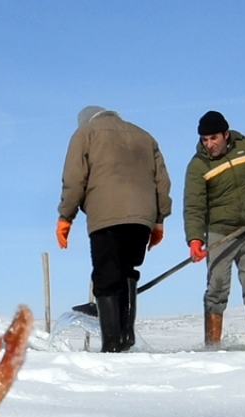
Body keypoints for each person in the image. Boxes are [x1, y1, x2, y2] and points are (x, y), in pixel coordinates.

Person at [58, 105, 172, 352]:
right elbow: (162, 181)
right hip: (142, 218)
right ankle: (125, 335)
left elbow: (75, 178)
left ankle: (111, 345)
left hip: (106, 215)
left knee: (106, 278)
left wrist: (66, 216)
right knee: (127, 270)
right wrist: (159, 219)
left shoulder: (85, 134)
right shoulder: (144, 136)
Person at [183, 110, 245, 350]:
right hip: (220, 233)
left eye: (214, 138)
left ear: (226, 134)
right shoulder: (198, 165)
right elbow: (194, 206)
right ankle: (212, 347)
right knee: (216, 288)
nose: (209, 144)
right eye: (205, 140)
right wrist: (195, 240)